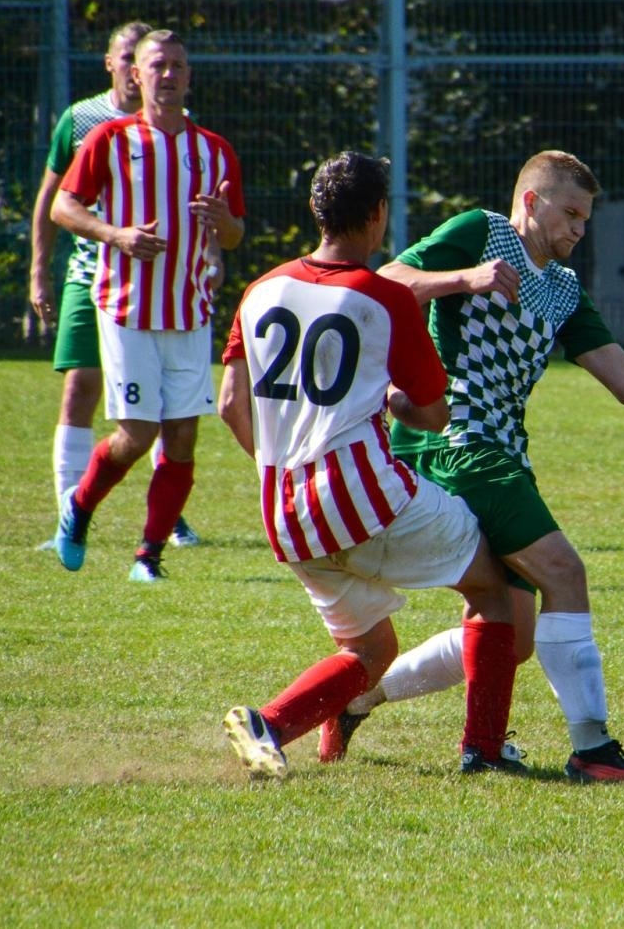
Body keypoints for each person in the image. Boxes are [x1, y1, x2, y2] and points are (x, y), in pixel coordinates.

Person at [319, 149, 624, 784]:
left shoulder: (565, 291)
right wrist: (467, 278)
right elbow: (386, 284)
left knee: (511, 637)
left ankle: (357, 703)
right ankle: (592, 750)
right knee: (564, 572)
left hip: (501, 454)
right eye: (569, 212)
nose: (578, 228)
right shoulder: (480, 232)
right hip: (454, 443)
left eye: (586, 219)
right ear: (530, 202)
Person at [216, 150, 519, 779]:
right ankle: (484, 753)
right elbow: (433, 414)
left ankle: (268, 724)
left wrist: (281, 466)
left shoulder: (260, 289)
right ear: (378, 215)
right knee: (498, 593)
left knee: (372, 649)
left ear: (316, 211)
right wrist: (389, 399)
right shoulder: (383, 298)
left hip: (285, 513)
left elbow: (227, 405)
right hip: (363, 496)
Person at [47, 29, 245, 582]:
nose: (169, 74)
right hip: (128, 311)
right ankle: (79, 507)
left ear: (189, 74)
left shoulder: (214, 150)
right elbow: (64, 208)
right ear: (135, 73)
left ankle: (148, 556)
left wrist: (221, 222)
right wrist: (117, 235)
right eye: (157, 64)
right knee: (138, 434)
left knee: (183, 438)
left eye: (178, 65)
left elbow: (234, 235)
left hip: (189, 314)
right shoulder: (110, 139)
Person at [28, 21, 203, 550]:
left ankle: (163, 524)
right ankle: (69, 509)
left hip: (173, 294)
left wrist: (211, 248)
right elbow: (53, 199)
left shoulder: (189, 131)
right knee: (85, 388)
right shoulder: (86, 121)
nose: (157, 72)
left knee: (172, 416)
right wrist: (40, 270)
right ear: (118, 65)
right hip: (96, 277)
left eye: (171, 65)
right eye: (140, 59)